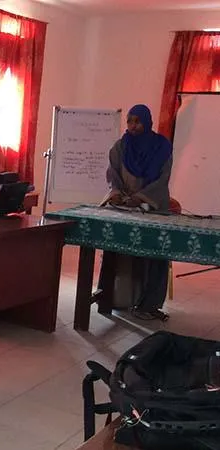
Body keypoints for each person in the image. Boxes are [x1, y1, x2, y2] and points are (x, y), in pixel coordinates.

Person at [103, 104, 173, 321]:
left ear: (147, 121)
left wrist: (140, 198)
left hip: (152, 207)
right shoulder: (120, 147)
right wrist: (118, 194)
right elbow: (113, 174)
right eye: (130, 121)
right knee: (119, 249)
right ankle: (115, 299)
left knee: (154, 253)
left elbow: (162, 180)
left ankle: (148, 304)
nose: (133, 126)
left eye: (137, 121)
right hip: (125, 207)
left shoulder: (161, 147)